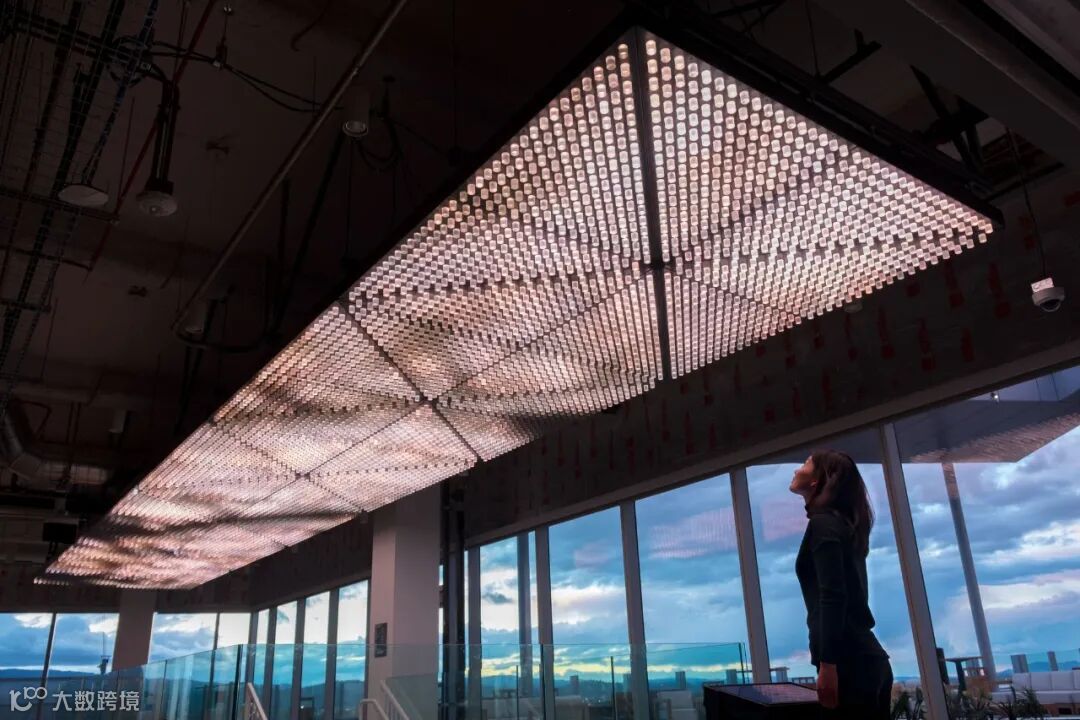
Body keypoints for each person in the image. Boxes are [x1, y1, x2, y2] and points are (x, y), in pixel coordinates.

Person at [789, 450, 893, 719]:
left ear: (817, 480)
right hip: (865, 660)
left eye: (805, 463)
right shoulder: (841, 525)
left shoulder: (823, 524)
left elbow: (833, 596)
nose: (796, 470)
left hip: (850, 664)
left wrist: (828, 664)